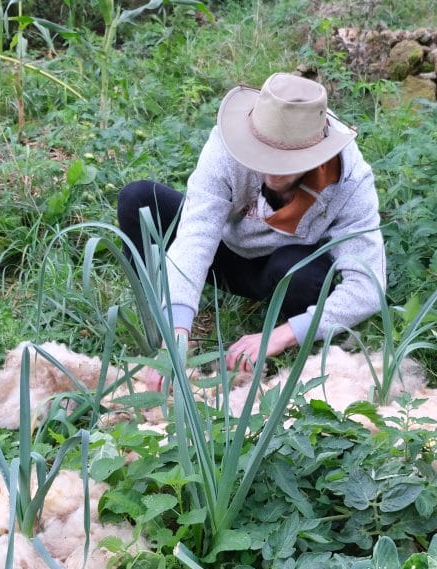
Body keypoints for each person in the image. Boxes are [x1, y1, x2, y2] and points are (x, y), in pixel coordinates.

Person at [116, 72, 387, 391]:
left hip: (280, 270)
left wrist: (283, 334)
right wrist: (176, 332)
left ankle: (290, 335)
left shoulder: (350, 180)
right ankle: (160, 315)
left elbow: (368, 287)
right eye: (264, 152)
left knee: (302, 274)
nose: (272, 168)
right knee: (139, 199)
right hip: (225, 252)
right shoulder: (226, 146)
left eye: (287, 159)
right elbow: (195, 236)